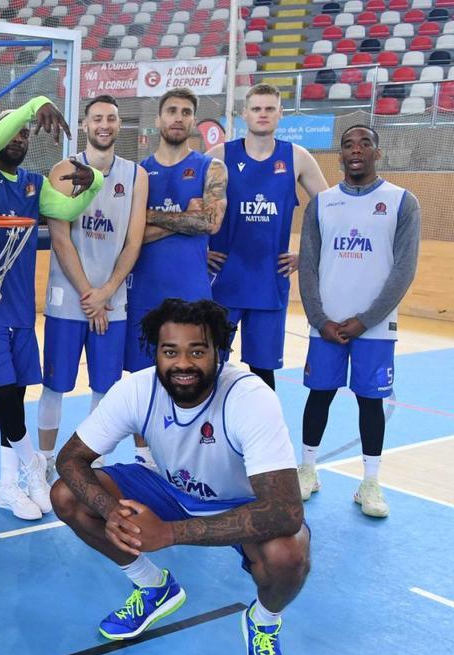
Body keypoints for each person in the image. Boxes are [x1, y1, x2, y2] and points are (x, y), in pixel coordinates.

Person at [51, 298, 309, 655]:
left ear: (219, 353)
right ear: (156, 352)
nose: (183, 363)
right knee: (66, 494)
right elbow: (70, 459)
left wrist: (170, 533)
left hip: (241, 503)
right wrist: (112, 514)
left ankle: (264, 622)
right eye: (170, 351)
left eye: (197, 351)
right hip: (169, 489)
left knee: (288, 555)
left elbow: (286, 511)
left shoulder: (249, 398)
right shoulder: (138, 389)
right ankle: (153, 587)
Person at [0, 96, 101, 520]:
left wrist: (91, 182)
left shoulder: (33, 184)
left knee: (16, 395)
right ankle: (35, 466)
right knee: (3, 394)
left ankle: (7, 485)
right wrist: (34, 104)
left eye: (24, 134)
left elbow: (69, 208)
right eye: (12, 133)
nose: (18, 139)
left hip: (20, 307)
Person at [296, 125, 420, 518]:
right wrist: (320, 318)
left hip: (376, 329)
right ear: (339, 156)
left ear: (376, 154)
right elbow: (308, 266)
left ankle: (370, 482)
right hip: (326, 326)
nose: (356, 150)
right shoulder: (322, 203)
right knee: (320, 395)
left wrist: (365, 320)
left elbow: (404, 270)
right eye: (348, 144)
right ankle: (308, 469)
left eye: (365, 143)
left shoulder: (402, 202)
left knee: (371, 402)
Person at [38, 94, 146, 481]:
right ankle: (45, 462)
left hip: (112, 300)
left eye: (112, 118)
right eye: (97, 118)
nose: (105, 124)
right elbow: (61, 238)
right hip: (69, 300)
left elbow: (133, 241)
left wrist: (107, 292)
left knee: (106, 388)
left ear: (120, 125)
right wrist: (90, 295)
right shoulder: (63, 169)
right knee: (55, 385)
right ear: (84, 125)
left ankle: (89, 462)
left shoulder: (136, 175)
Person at [128, 88, 227, 468]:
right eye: (171, 110)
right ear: (158, 119)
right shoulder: (139, 173)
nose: (178, 117)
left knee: (194, 376)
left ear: (193, 122)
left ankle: (194, 456)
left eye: (186, 112)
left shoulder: (210, 168)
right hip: (144, 291)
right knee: (143, 379)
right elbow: (129, 235)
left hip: (192, 294)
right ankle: (144, 457)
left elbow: (208, 221)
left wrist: (149, 217)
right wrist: (183, 220)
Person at [207, 83, 328, 390]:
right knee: (209, 364)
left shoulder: (297, 157)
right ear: (244, 114)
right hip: (222, 280)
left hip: (269, 281)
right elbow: (187, 204)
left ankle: (263, 435)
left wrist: (309, 255)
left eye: (269, 109)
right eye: (257, 109)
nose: (263, 114)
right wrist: (198, 252)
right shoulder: (219, 155)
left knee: (262, 373)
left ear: (280, 114)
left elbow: (332, 210)